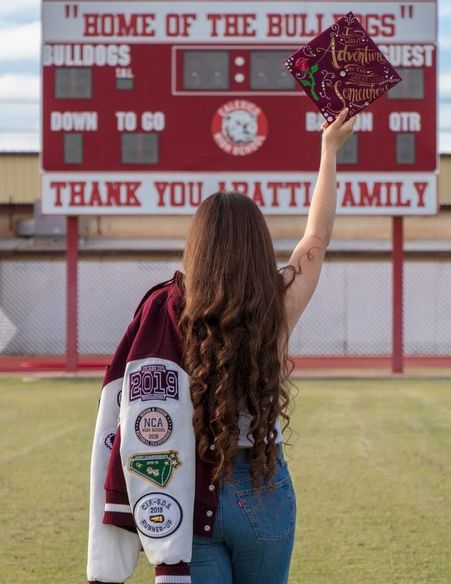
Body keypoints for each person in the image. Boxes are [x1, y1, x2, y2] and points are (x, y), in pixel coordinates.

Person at [87, 108, 356, 584]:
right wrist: (329, 151)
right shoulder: (278, 303)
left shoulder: (173, 310)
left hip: (191, 487)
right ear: (258, 244)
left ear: (198, 247)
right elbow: (317, 237)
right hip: (263, 481)